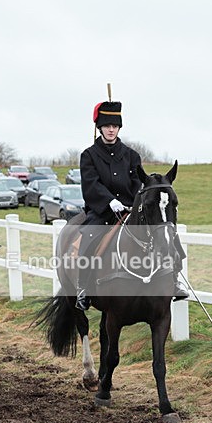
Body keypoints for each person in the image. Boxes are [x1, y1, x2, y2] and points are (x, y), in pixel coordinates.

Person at [76, 99, 188, 310]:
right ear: (100, 128)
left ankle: (174, 280)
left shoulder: (131, 155)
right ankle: (83, 288)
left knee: (167, 233)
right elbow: (91, 184)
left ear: (119, 128)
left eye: (114, 126)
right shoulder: (88, 155)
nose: (111, 130)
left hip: (131, 209)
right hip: (103, 212)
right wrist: (110, 201)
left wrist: (134, 203)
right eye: (107, 126)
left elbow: (139, 183)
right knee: (89, 239)